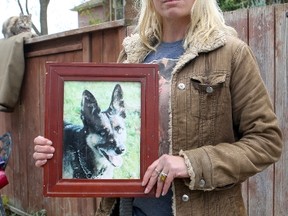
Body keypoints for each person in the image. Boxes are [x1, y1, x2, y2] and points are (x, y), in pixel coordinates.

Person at [33, 0, 283, 215]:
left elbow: (266, 141)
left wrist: (191, 164)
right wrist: (58, 148)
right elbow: (106, 134)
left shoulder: (231, 53)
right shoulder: (133, 56)